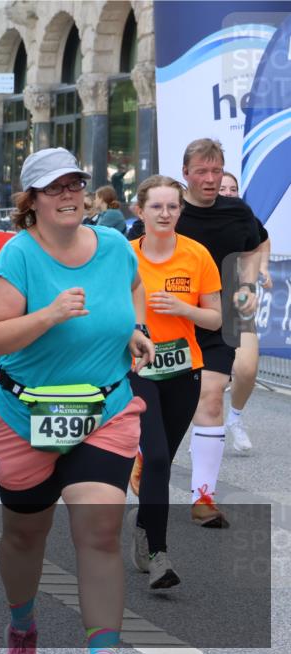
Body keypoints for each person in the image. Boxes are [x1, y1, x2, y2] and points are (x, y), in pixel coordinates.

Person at [0, 147, 154, 654]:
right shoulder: (19, 257)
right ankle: (23, 626)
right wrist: (48, 315)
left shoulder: (117, 247)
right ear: (31, 201)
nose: (70, 194)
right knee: (26, 535)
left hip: (105, 410)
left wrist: (138, 330)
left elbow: (135, 287)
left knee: (99, 530)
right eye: (55, 188)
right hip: (23, 417)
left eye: (75, 184)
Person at [126, 175, 222, 591]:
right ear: (140, 211)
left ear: (180, 211)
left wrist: (184, 306)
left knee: (163, 461)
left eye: (172, 207)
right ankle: (159, 555)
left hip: (185, 371)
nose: (165, 214)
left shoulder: (197, 255)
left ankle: (144, 523)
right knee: (159, 458)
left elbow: (216, 319)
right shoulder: (125, 257)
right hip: (139, 371)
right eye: (157, 207)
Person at [173, 138, 260, 528]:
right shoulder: (169, 211)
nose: (210, 179)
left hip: (219, 318)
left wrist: (248, 284)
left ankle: (203, 497)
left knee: (211, 398)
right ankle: (147, 455)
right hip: (170, 321)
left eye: (216, 171)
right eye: (202, 172)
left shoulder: (237, 211)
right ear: (186, 173)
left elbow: (258, 245)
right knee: (168, 406)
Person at [218, 171, 271, 453]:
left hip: (236, 300)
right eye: (222, 187)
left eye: (232, 188)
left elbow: (262, 239)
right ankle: (208, 428)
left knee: (247, 368)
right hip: (201, 302)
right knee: (208, 380)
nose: (227, 192)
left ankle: (234, 419)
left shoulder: (244, 217)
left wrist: (260, 268)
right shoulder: (197, 216)